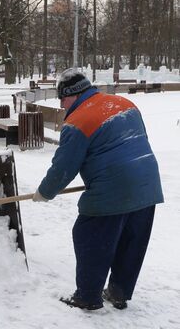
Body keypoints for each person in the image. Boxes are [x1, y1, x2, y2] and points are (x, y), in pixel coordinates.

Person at [33, 68, 163, 311]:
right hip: (148, 185)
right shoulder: (124, 103)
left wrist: (44, 192)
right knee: (130, 240)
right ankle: (118, 292)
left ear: (72, 94)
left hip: (113, 187)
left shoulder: (78, 121)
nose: (61, 104)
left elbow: (64, 167)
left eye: (62, 98)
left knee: (89, 235)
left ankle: (88, 296)